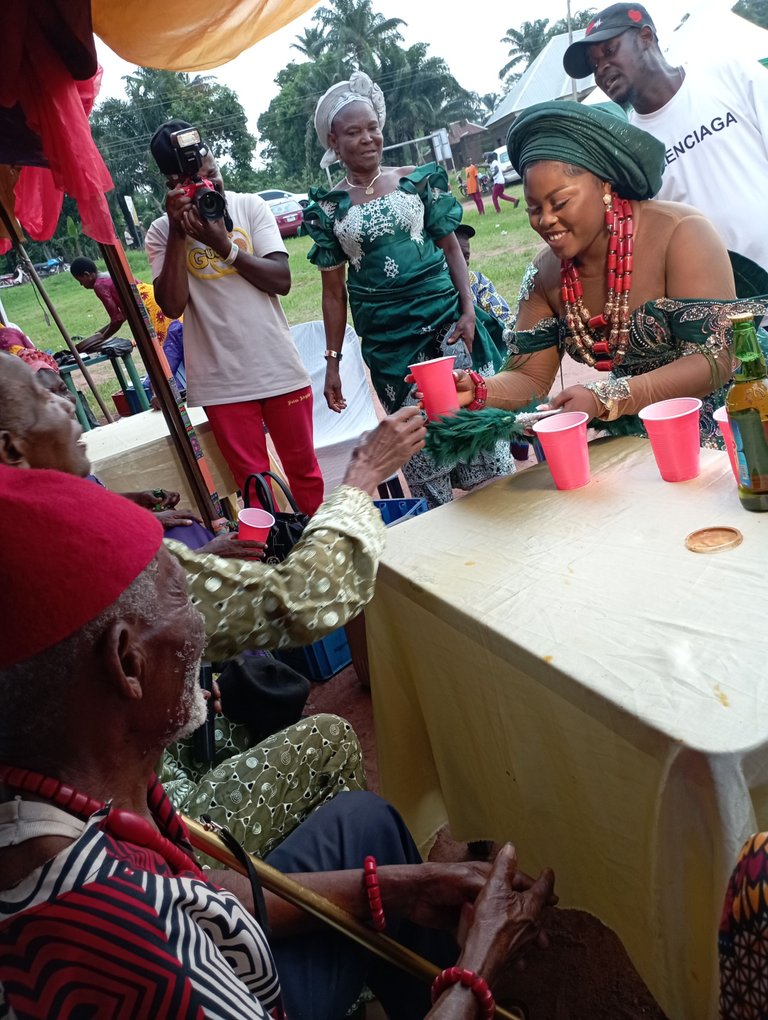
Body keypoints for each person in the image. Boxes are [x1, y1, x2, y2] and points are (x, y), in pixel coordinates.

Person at [0, 466, 556, 1020]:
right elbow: (174, 923)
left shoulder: (61, 793)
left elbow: (200, 899)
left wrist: (403, 886)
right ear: (128, 663)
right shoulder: (121, 937)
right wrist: (476, 974)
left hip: (226, 954)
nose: (201, 626)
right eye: (183, 599)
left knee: (367, 825)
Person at [0, 351, 428, 855]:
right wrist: (362, 477)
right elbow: (304, 598)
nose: (67, 401)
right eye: (43, 394)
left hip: (67, 819)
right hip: (154, 840)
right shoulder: (87, 560)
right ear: (11, 451)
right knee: (326, 739)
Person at [442, 101, 767, 448]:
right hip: (639, 439)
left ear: (606, 187)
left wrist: (605, 397)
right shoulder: (545, 273)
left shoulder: (682, 232)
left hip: (737, 424)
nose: (545, 220)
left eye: (560, 203)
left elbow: (714, 358)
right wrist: (476, 388)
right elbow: (529, 376)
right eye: (535, 209)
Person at [304, 72, 512, 508]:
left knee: (471, 418)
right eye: (353, 132)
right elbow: (333, 293)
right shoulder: (327, 209)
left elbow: (452, 248)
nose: (367, 139)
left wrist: (469, 310)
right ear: (333, 140)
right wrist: (333, 364)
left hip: (448, 323)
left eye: (373, 128)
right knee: (416, 436)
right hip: (387, 342)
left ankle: (503, 517)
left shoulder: (416, 180)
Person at [145, 120, 324, 516]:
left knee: (305, 472)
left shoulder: (250, 206)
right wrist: (178, 230)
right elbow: (172, 305)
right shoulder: (161, 232)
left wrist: (223, 246)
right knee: (254, 487)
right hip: (221, 381)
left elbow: (281, 280)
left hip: (277, 366)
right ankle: (275, 561)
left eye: (213, 175)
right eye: (197, 183)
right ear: (173, 185)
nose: (210, 187)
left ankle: (320, 551)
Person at [562, 2, 768, 276]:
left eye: (609, 51)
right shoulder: (630, 149)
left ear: (646, 37)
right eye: (594, 64)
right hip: (722, 303)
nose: (601, 69)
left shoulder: (729, 74)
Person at [69, 256, 171, 353]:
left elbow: (117, 319)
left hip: (148, 307)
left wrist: (100, 339)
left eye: (80, 281)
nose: (81, 285)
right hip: (154, 297)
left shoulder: (99, 285)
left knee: (164, 349)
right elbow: (122, 316)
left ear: (87, 275)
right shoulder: (108, 275)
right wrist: (97, 335)